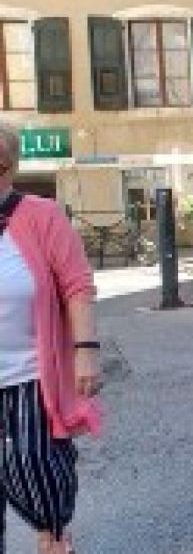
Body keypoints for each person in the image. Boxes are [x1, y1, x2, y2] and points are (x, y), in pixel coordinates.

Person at [0, 122, 102, 553]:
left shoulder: (40, 216)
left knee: (33, 466)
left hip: (28, 373)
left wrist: (86, 352)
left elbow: (76, 286)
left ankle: (52, 534)